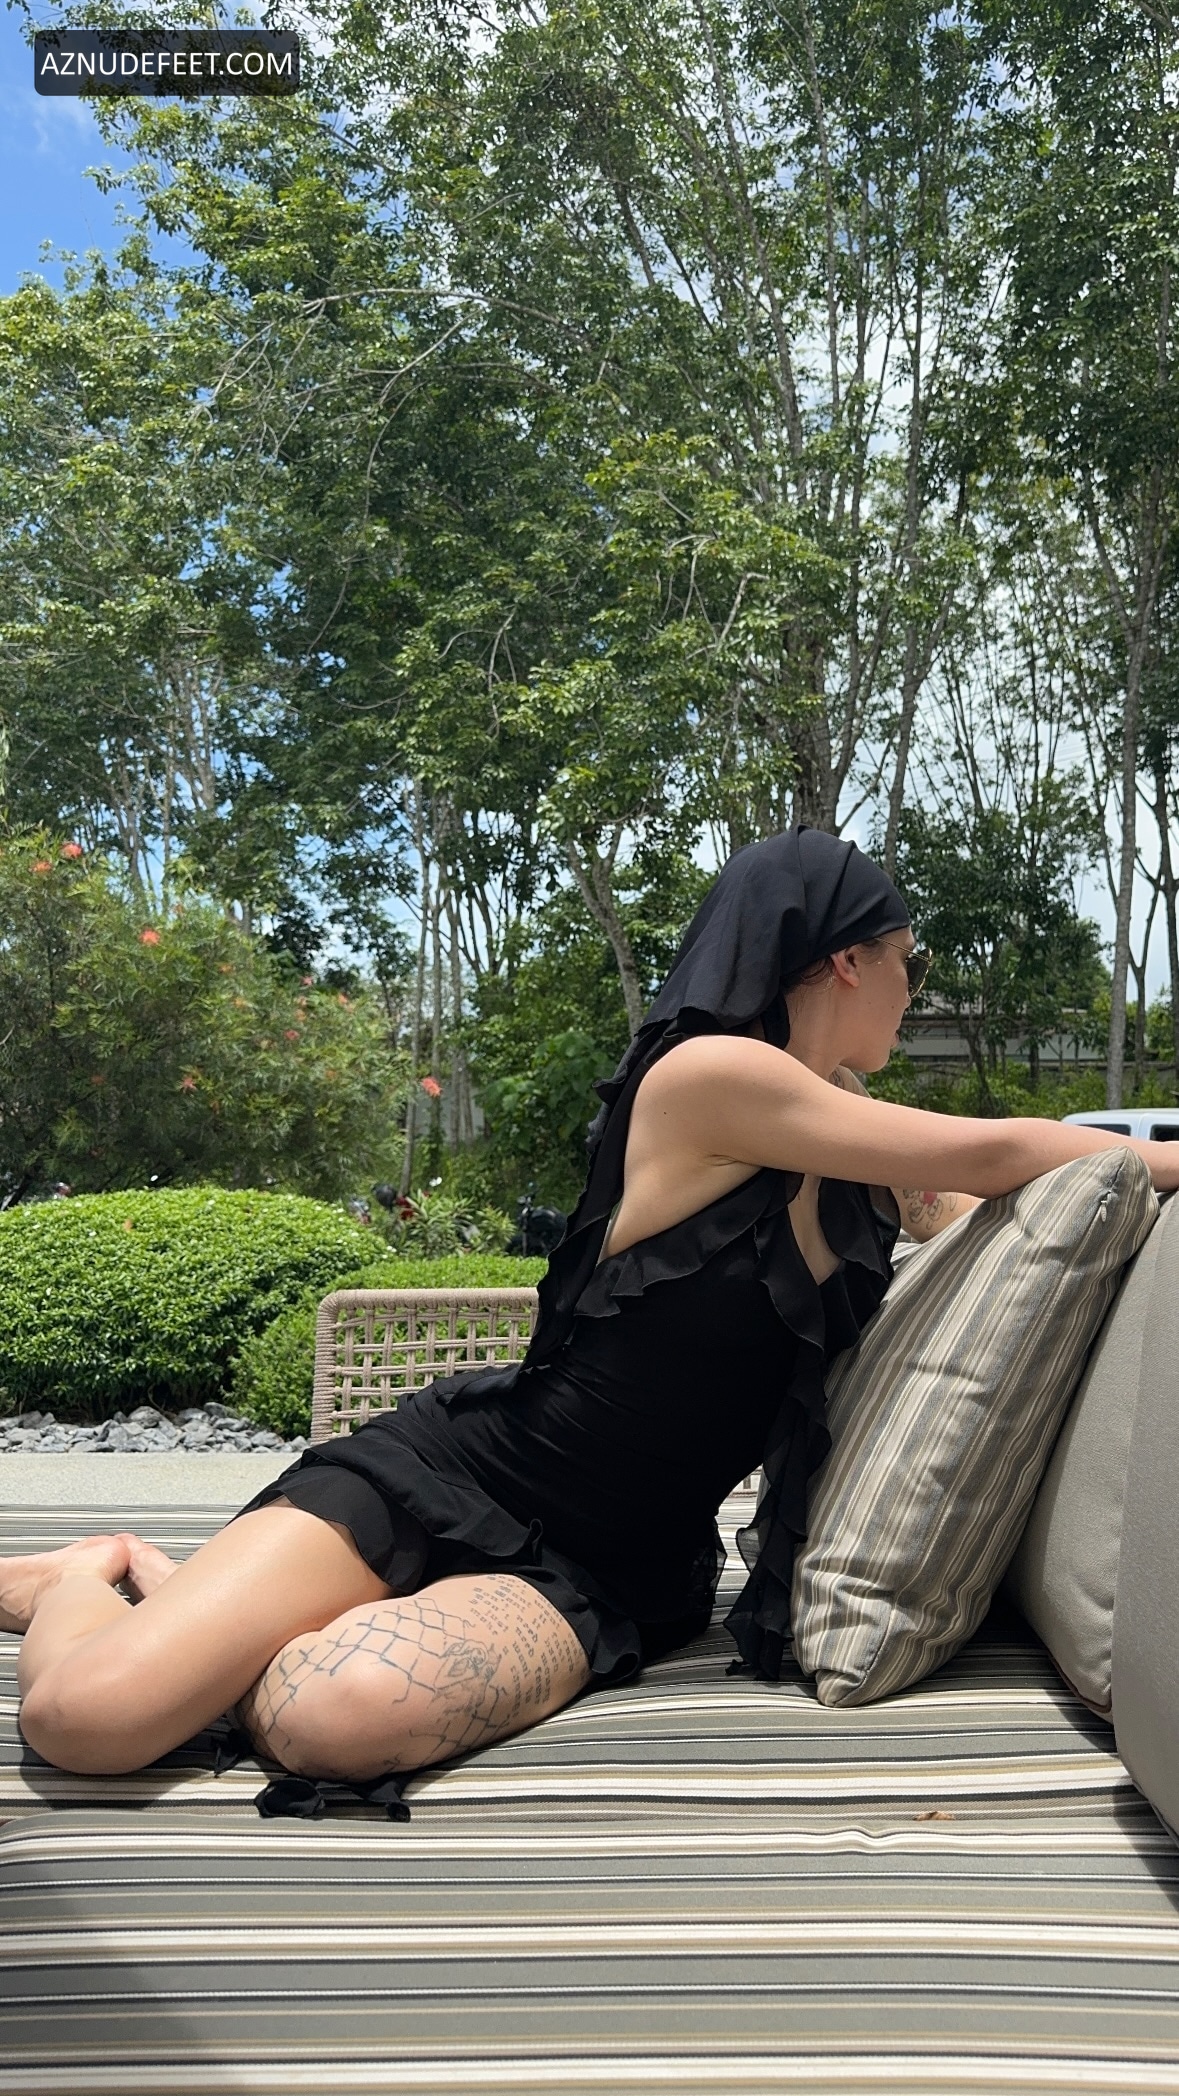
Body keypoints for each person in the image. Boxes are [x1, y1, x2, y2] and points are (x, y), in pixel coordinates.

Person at [7, 826, 1179, 1804]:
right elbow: (998, 1151)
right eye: (907, 961)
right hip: (460, 1469)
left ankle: (199, 1611)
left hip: (613, 1567)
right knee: (86, 1717)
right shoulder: (712, 1075)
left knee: (337, 1715)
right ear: (845, 960)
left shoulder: (855, 1140)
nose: (913, 989)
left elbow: (998, 1214)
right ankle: (92, 1573)